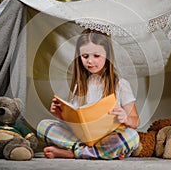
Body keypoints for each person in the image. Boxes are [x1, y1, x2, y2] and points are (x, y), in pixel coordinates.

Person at [37, 29, 140, 160]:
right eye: (85, 56)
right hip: (82, 137)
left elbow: (135, 121)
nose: (90, 61)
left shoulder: (120, 84)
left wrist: (126, 118)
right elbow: (75, 121)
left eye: (96, 56)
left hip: (109, 137)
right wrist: (61, 115)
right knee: (43, 126)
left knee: (132, 137)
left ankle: (73, 153)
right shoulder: (79, 86)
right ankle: (99, 153)